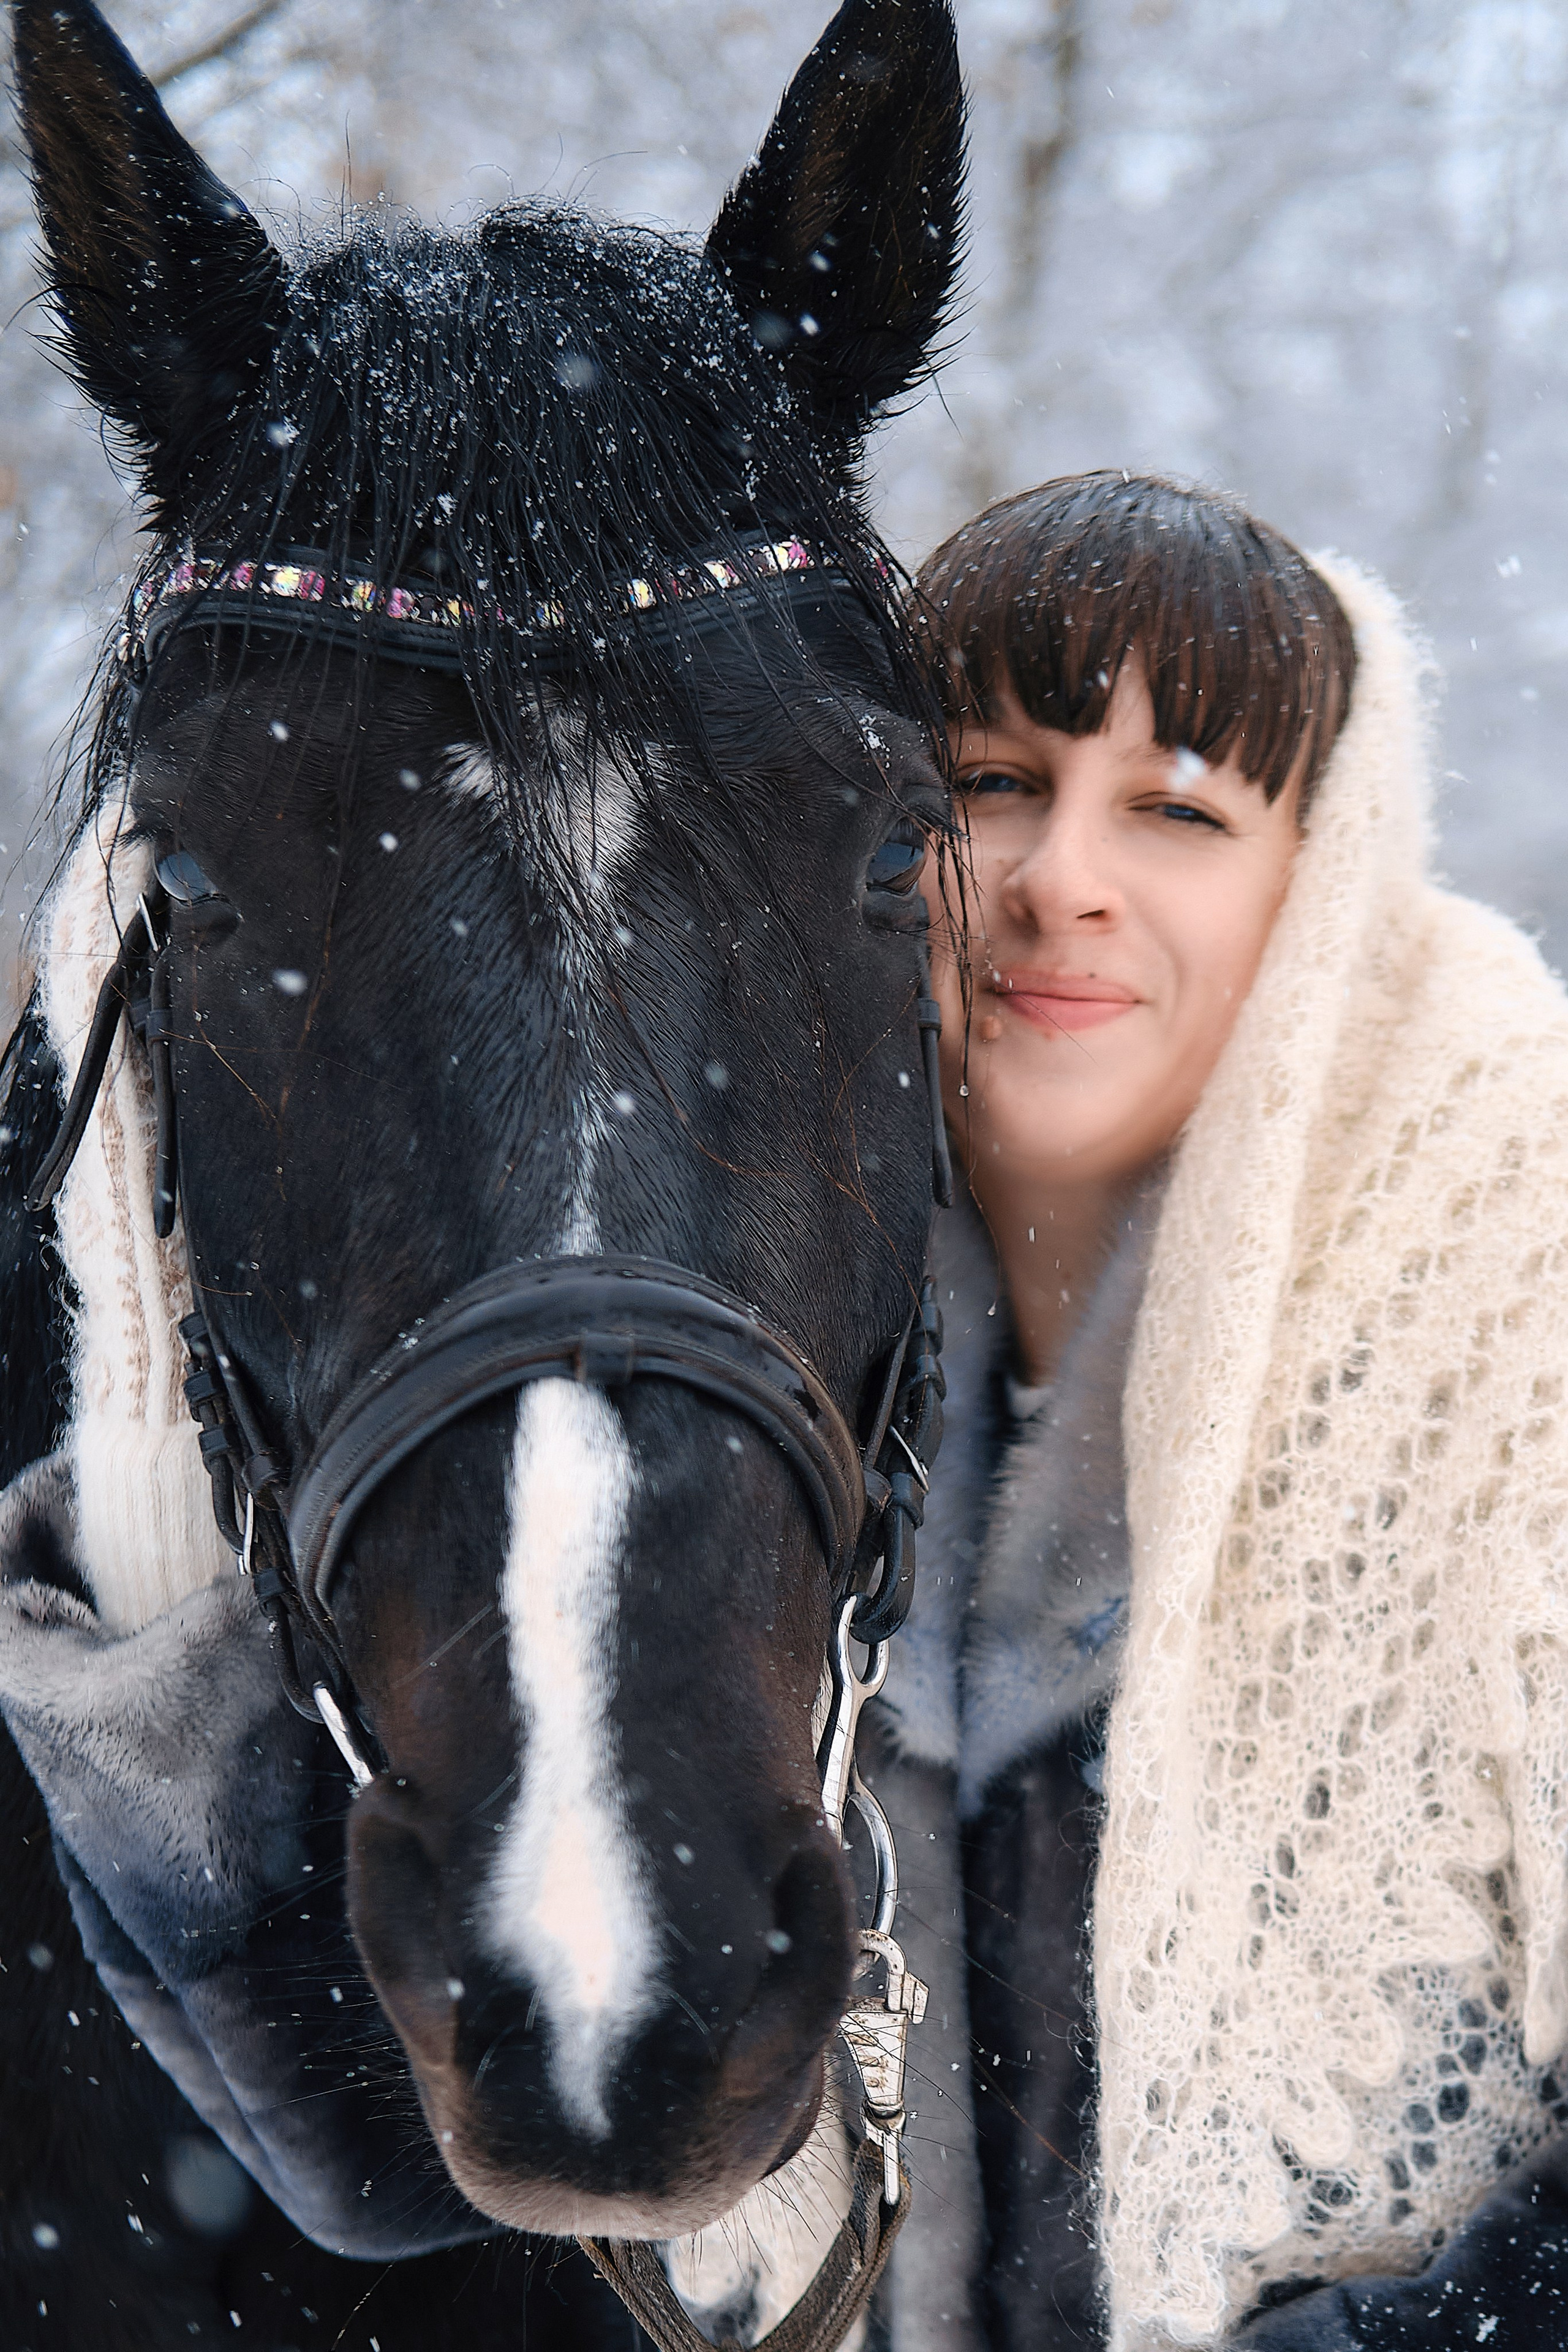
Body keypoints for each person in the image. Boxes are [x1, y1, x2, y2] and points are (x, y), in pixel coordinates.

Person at [859, 473, 1568, 2351]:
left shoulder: (1536, 1318)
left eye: (1177, 809)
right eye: (995, 780)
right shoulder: (744, 1346)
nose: (1059, 874)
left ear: (1315, 885)